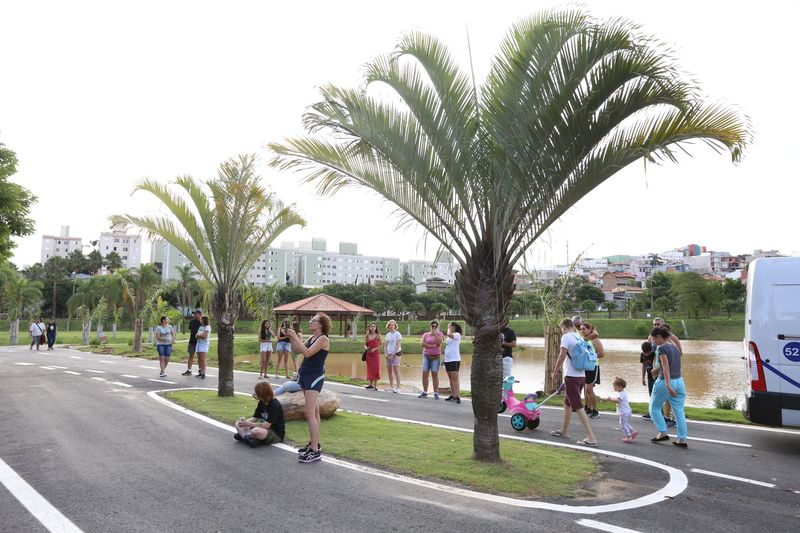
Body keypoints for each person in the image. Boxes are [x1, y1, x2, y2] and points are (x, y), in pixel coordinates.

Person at [285, 313, 331, 463]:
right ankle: (314, 444)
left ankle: (315, 452)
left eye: (314, 320)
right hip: (305, 375)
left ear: (321, 324)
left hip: (314, 377)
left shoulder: (323, 339)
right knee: (315, 412)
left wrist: (296, 337)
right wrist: (292, 337)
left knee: (308, 413)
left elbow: (308, 353)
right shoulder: (312, 338)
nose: (311, 322)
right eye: (311, 320)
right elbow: (297, 351)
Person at [550, 318, 599, 447]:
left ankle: (591, 437)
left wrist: (555, 372)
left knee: (577, 406)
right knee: (567, 403)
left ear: (565, 327)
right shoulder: (579, 337)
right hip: (581, 376)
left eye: (561, 330)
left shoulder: (566, 337)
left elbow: (561, 355)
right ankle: (564, 431)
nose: (562, 332)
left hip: (571, 377)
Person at [648, 326, 688, 448]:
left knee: (653, 408)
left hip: (666, 382)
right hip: (680, 382)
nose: (654, 342)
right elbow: (671, 364)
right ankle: (682, 440)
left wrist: (667, 384)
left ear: (659, 337)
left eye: (654, 339)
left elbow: (666, 367)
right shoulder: (675, 348)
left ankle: (662, 433)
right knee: (679, 411)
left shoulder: (662, 348)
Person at [647, 317, 681, 428]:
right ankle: (661, 415)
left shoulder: (672, 337)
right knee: (658, 393)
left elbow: (679, 353)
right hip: (656, 368)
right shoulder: (652, 337)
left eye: (658, 324)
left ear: (663, 324)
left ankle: (670, 418)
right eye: (654, 325)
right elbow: (651, 354)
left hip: (667, 369)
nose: (656, 326)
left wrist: (661, 367)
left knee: (669, 393)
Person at [234, 381, 285, 447]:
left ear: (263, 394)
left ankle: (245, 436)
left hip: (275, 433)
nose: (256, 395)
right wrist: (244, 422)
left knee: (255, 431)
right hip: (263, 428)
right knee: (237, 424)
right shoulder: (262, 402)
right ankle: (247, 438)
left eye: (257, 393)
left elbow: (266, 426)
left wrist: (248, 424)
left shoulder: (275, 405)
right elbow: (255, 418)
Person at [579, 322, 604, 419]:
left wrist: (590, 357)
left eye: (584, 329)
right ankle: (589, 408)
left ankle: (595, 410)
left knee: (589, 389)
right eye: (581, 329)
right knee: (586, 389)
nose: (582, 331)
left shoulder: (595, 339)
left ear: (590, 330)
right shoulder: (584, 340)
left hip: (593, 367)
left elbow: (601, 353)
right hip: (586, 367)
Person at [603, 377, 637, 443]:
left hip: (624, 412)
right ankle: (633, 432)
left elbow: (618, 401)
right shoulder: (622, 393)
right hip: (626, 411)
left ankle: (628, 437)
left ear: (620, 386)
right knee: (625, 424)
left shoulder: (622, 393)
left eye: (615, 386)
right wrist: (611, 399)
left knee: (622, 424)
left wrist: (610, 399)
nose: (614, 387)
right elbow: (618, 399)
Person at [418, 320, 444, 399]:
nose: (434, 328)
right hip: (426, 356)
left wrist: (435, 335)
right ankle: (425, 392)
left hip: (435, 357)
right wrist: (432, 346)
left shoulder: (440, 334)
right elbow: (422, 344)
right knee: (425, 374)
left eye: (435, 326)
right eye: (432, 326)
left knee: (434, 375)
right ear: (430, 326)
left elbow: (439, 343)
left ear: (437, 327)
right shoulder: (426, 334)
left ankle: (435, 393)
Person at [444, 322, 462, 404]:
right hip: (448, 359)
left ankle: (457, 396)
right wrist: (443, 359)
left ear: (453, 326)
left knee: (455, 378)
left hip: (454, 359)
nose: (448, 327)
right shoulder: (449, 337)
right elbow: (448, 347)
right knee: (450, 378)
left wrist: (448, 329)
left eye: (450, 325)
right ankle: (453, 395)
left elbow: (449, 334)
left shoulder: (457, 334)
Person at [182, 309, 203, 376]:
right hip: (192, 341)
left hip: (200, 342)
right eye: (194, 314)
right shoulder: (192, 322)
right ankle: (189, 370)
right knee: (191, 355)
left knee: (200, 357)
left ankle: (200, 370)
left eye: (196, 314)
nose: (194, 315)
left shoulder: (202, 322)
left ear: (200, 315)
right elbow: (191, 330)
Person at [384, 320, 402, 393]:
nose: (391, 326)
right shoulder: (387, 334)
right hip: (388, 354)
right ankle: (391, 386)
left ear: (395, 326)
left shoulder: (397, 334)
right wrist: (386, 354)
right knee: (389, 371)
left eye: (393, 325)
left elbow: (398, 345)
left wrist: (393, 354)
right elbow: (385, 345)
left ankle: (398, 387)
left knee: (396, 370)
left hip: (396, 354)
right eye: (390, 325)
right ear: (388, 326)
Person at [640, 341, 656, 419]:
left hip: (656, 377)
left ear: (651, 350)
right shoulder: (642, 355)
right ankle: (651, 412)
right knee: (651, 395)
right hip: (649, 377)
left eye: (648, 352)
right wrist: (643, 378)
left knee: (656, 395)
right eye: (645, 352)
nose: (646, 354)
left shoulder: (654, 354)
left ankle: (659, 412)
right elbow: (643, 366)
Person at [364, 322, 381, 390]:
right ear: (369, 327)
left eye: (374, 326)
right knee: (370, 369)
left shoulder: (378, 335)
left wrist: (375, 349)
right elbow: (365, 344)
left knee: (376, 369)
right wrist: (365, 347)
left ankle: (375, 385)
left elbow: (381, 344)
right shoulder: (367, 335)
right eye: (371, 326)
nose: (373, 327)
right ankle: (370, 384)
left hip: (375, 355)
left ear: (376, 328)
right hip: (369, 355)